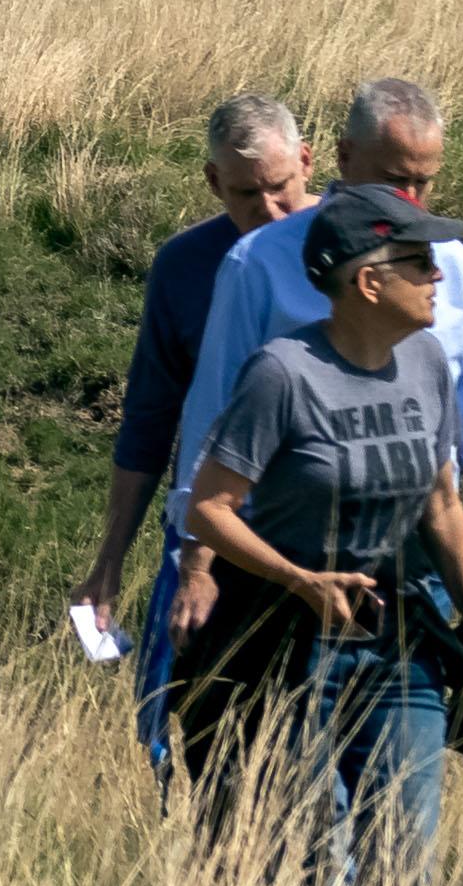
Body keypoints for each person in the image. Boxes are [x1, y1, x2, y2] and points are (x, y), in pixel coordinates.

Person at [181, 182, 463, 886]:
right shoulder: (283, 373)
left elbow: (441, 503)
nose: (439, 274)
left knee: (404, 860)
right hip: (288, 650)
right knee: (313, 867)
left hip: (397, 648)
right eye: (419, 260)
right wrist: (297, 577)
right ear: (367, 279)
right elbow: (209, 509)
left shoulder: (427, 362)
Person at [156, 80, 463, 684]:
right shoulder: (261, 262)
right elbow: (214, 420)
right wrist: (197, 566)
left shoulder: (453, 268)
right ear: (342, 160)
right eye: (397, 180)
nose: (414, 199)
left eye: (426, 181)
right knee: (278, 760)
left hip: (423, 563)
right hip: (287, 564)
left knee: (436, 755)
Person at [78, 94, 314, 773]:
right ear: (212, 182)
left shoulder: (353, 250)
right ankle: (223, 870)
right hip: (218, 538)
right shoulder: (184, 268)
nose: (268, 210)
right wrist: (109, 561)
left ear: (307, 160)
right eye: (245, 194)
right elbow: (150, 418)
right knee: (215, 738)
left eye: (281, 188)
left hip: (325, 532)